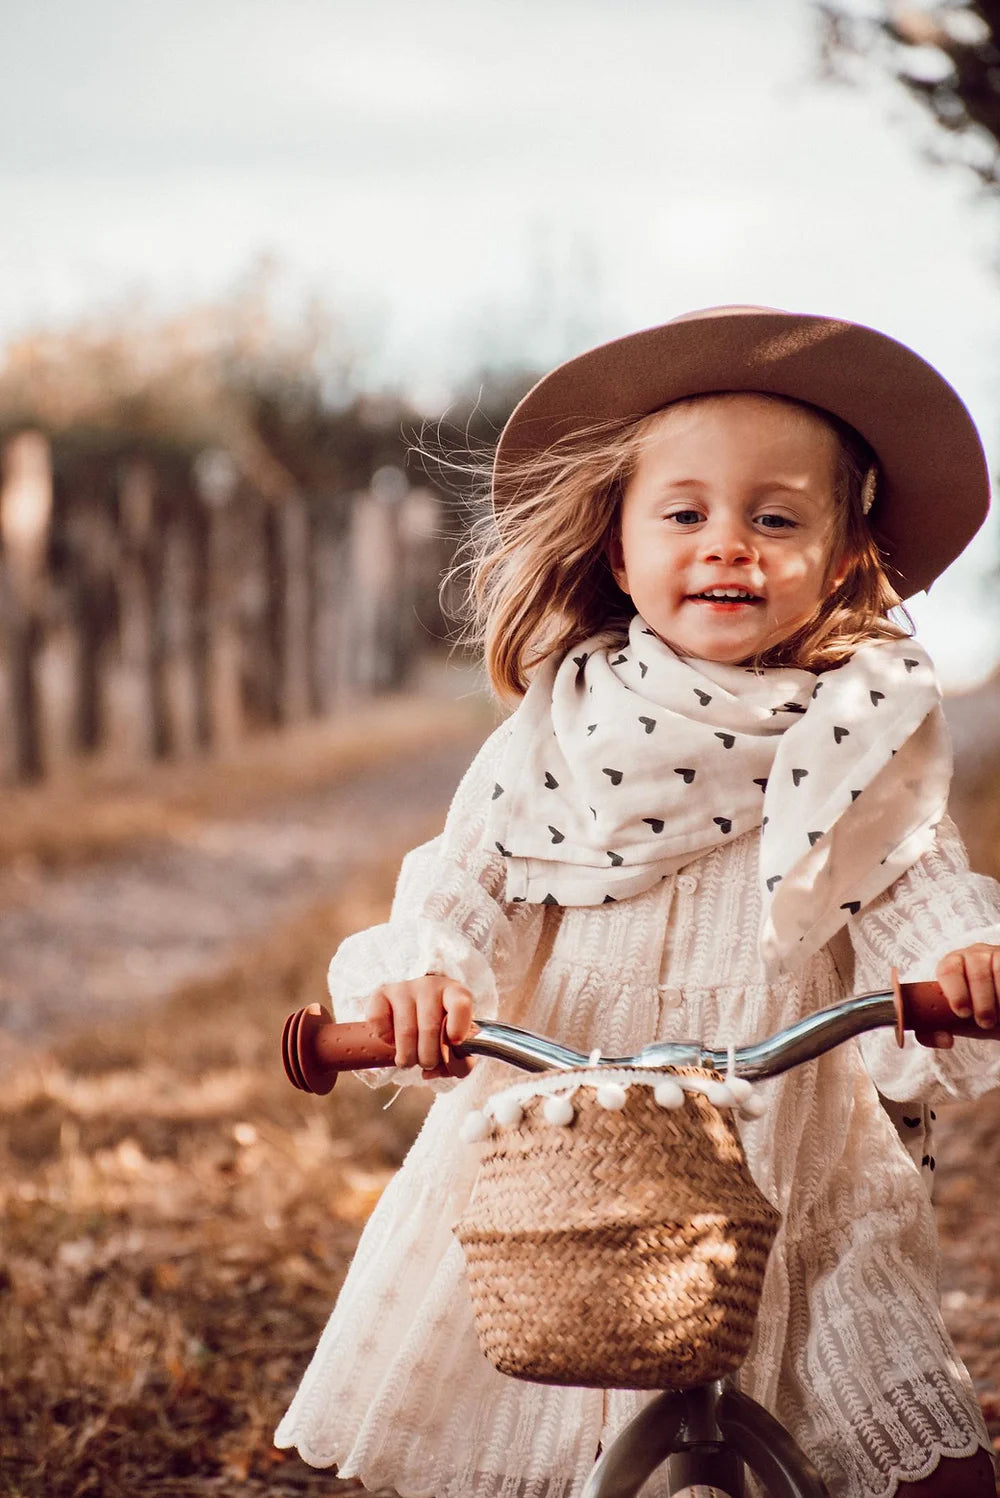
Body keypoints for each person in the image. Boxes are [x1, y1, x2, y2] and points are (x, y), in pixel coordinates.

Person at [275, 307, 1000, 1498]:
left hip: (796, 1169)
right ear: (618, 552)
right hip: (569, 1171)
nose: (730, 545)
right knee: (536, 1438)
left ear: (839, 559)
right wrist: (420, 979)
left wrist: (963, 959)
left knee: (924, 1458)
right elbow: (467, 887)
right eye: (685, 514)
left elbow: (913, 882)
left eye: (776, 518)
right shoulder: (554, 734)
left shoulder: (863, 737)